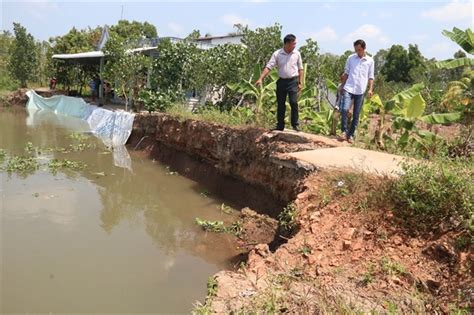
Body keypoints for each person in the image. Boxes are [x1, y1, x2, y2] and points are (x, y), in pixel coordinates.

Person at [255, 34, 304, 131]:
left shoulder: (297, 54)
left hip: (293, 81)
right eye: (293, 43)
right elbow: (269, 67)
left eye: (295, 43)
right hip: (281, 81)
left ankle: (295, 124)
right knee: (281, 104)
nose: (294, 45)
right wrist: (260, 78)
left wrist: (300, 82)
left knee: (293, 102)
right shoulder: (277, 54)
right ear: (287, 43)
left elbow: (301, 69)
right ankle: (280, 125)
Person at [338, 39, 374, 143]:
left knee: (356, 114)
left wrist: (370, 89)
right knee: (344, 109)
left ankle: (351, 135)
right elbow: (346, 72)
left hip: (360, 90)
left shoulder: (370, 61)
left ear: (364, 49)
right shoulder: (351, 58)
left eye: (359, 50)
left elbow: (371, 77)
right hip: (349, 87)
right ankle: (343, 132)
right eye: (356, 50)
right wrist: (342, 85)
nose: (357, 52)